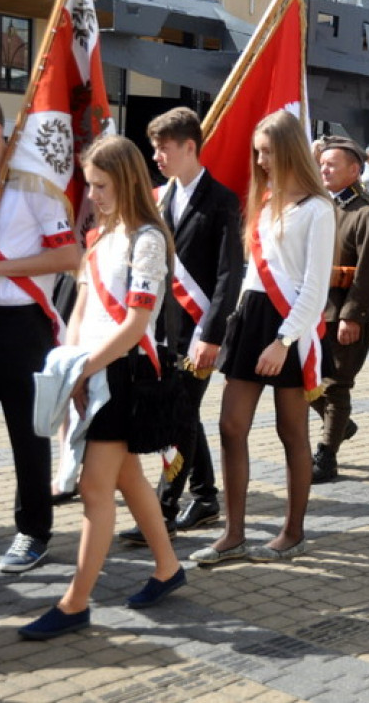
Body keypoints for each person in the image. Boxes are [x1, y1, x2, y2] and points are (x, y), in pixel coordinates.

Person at [19, 135, 182, 640]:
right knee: (128, 478)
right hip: (90, 370)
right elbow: (81, 310)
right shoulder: (98, 236)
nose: (93, 196)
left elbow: (136, 324)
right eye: (89, 185)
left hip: (122, 375)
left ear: (127, 181)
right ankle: (168, 568)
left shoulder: (147, 239)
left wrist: (84, 368)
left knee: (95, 489)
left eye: (102, 185)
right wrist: (70, 365)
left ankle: (75, 602)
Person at [191, 110, 334, 565]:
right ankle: (233, 534)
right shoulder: (265, 200)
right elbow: (249, 272)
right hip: (250, 317)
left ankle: (293, 531)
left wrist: (284, 340)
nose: (262, 160)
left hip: (288, 324)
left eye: (268, 151)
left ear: (290, 149)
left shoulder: (318, 208)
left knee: (291, 430)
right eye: (258, 152)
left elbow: (315, 286)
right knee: (230, 425)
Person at [0, 89, 81, 573]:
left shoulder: (35, 182)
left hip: (22, 324)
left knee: (26, 436)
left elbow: (69, 256)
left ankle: (33, 531)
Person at [117, 107, 243, 546]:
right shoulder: (158, 198)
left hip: (199, 333)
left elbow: (230, 274)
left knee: (178, 416)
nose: (156, 156)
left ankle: (164, 510)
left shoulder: (222, 200)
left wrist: (212, 335)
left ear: (190, 147)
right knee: (185, 413)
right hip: (163, 330)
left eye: (163, 148)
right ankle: (206, 495)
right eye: (154, 149)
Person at [310, 135, 369, 483]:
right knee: (305, 383)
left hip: (343, 312)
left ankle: (326, 456)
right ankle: (340, 423)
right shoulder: (321, 206)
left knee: (336, 385)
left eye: (332, 164)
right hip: (313, 310)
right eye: (322, 164)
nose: (324, 169)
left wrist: (352, 315)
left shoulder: (368, 213)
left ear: (355, 170)